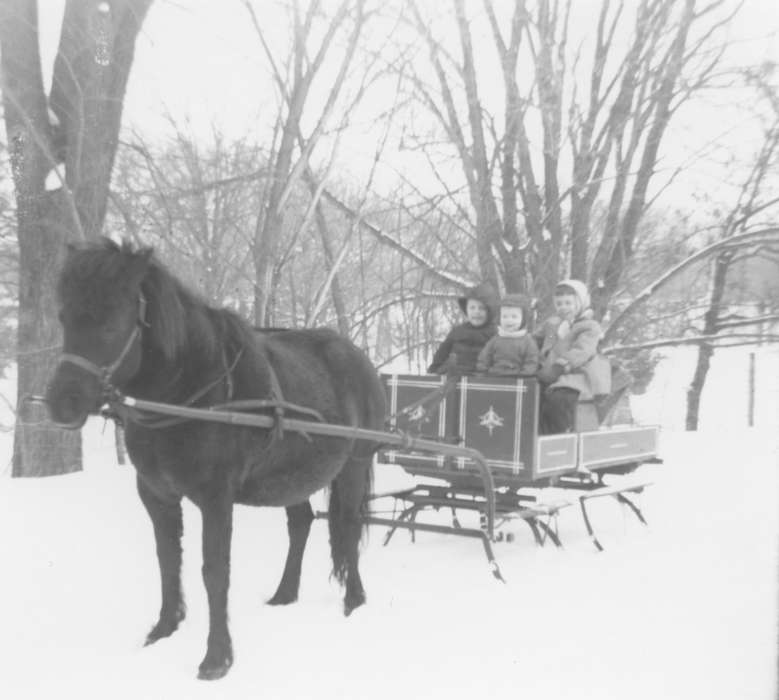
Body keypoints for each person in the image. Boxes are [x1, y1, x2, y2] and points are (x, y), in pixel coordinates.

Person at [535, 279, 611, 434]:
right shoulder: (552, 324)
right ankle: (533, 434)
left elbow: (582, 351)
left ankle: (558, 435)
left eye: (568, 303)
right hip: (549, 374)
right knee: (530, 393)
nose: (563, 308)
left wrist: (559, 366)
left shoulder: (589, 326)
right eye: (559, 303)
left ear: (580, 302)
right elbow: (535, 340)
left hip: (577, 375)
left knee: (558, 400)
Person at [427, 282, 498, 376]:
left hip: (478, 377)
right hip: (453, 374)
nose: (476, 312)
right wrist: (434, 370)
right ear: (466, 309)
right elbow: (442, 353)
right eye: (472, 308)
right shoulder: (458, 331)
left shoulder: (495, 334)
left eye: (481, 308)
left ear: (490, 311)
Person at [475, 293, 539, 376]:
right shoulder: (495, 339)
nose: (509, 320)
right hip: (495, 375)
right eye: (505, 316)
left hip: (518, 377)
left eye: (514, 317)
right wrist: (483, 369)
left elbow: (531, 360)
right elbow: (485, 356)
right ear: (499, 318)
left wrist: (525, 373)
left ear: (522, 319)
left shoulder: (528, 342)